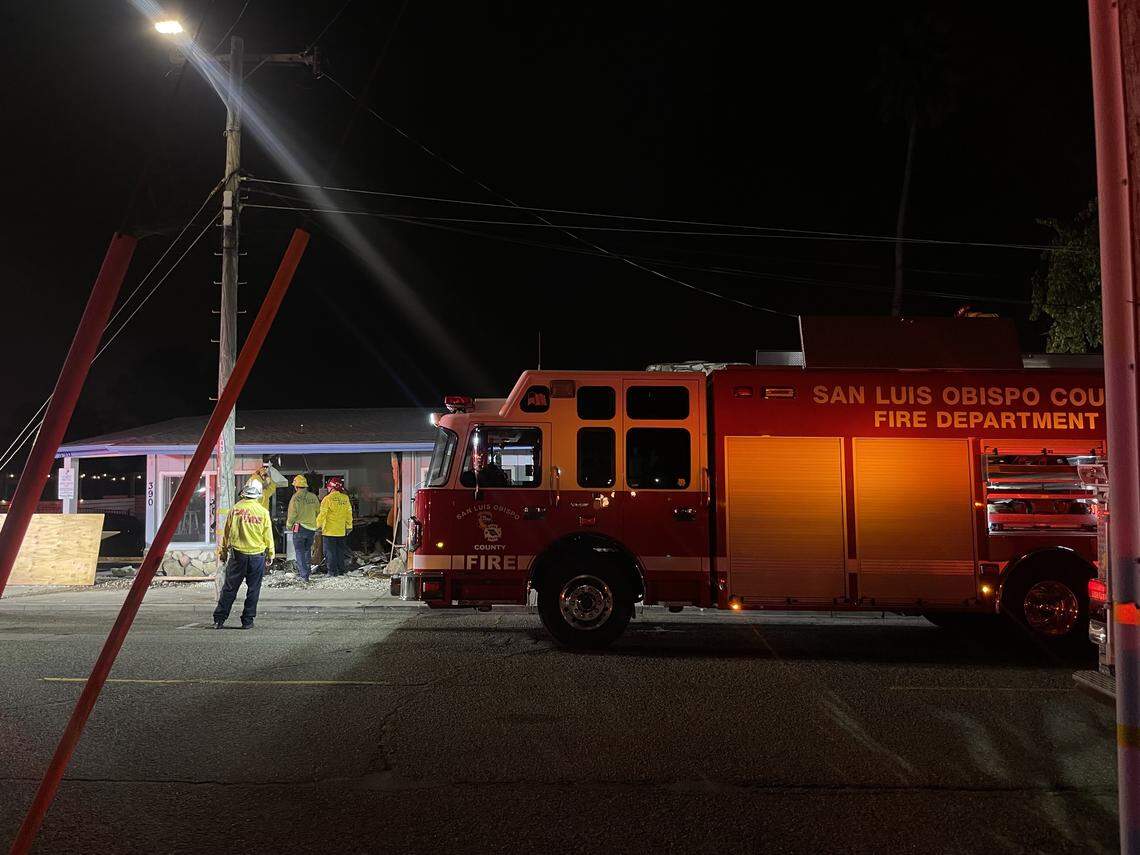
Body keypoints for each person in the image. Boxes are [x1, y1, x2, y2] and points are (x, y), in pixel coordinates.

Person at [213, 479, 274, 630]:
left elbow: (227, 533)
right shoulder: (263, 512)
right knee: (253, 589)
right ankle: (247, 621)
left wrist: (223, 552)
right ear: (258, 495)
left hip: (237, 556)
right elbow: (268, 535)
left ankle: (219, 619)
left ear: (245, 492)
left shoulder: (235, 509)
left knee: (229, 588)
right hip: (257, 556)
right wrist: (271, 553)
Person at [316, 476, 353, 576]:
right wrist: (349, 526)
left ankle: (332, 572)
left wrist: (317, 525)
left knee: (329, 552)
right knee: (340, 551)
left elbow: (322, 514)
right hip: (341, 530)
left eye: (328, 487)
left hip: (329, 531)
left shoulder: (327, 499)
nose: (327, 489)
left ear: (332, 487)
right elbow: (349, 513)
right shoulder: (345, 498)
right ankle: (341, 571)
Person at [286, 474, 319, 581]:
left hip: (299, 528)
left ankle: (304, 575)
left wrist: (289, 525)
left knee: (299, 551)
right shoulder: (313, 497)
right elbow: (318, 512)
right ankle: (307, 572)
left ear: (296, 486)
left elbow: (292, 514)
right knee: (307, 550)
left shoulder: (295, 497)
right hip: (311, 529)